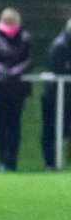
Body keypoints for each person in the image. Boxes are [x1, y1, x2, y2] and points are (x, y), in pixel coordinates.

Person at [0, 7, 32, 172]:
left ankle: (12, 161)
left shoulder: (25, 37)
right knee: (1, 124)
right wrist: (0, 69)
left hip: (18, 89)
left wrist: (16, 71)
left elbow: (30, 59)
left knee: (15, 124)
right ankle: (3, 160)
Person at [40, 18, 71, 170]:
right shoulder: (59, 45)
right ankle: (50, 163)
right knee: (50, 130)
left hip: (67, 95)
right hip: (53, 95)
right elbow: (57, 69)